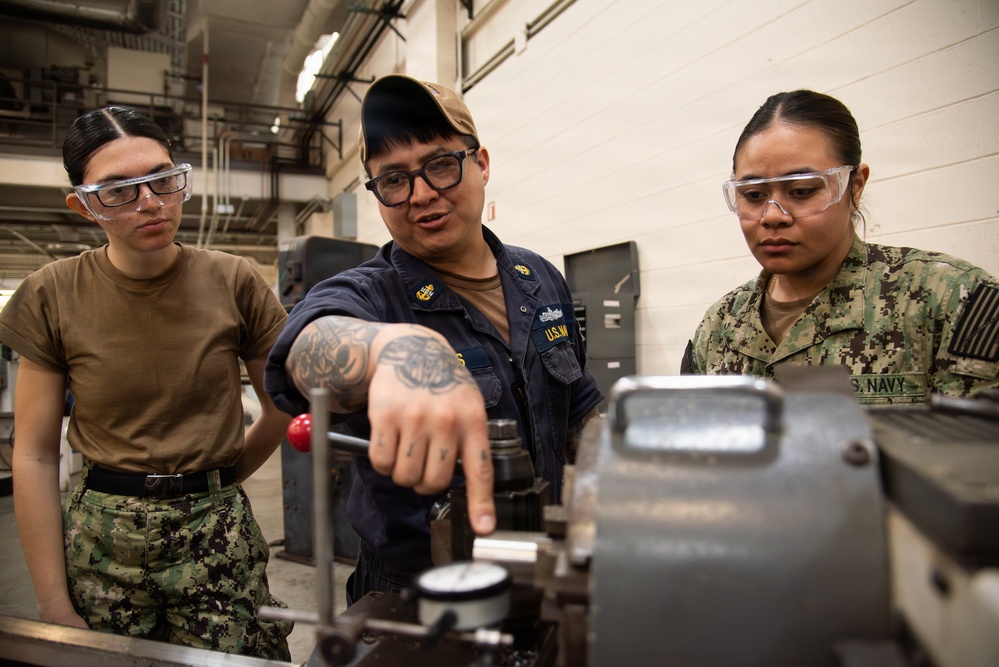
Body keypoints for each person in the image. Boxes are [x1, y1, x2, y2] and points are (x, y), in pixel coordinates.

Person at [264, 74, 603, 602]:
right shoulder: (371, 294)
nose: (421, 195)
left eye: (441, 165)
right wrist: (396, 350)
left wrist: (628, 490)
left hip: (544, 570)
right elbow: (308, 347)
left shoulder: (539, 279)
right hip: (417, 594)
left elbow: (577, 408)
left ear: (482, 163)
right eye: (394, 180)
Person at [0, 106, 293, 658]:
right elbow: (35, 455)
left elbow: (281, 404)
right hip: (100, 541)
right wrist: (53, 604)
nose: (151, 202)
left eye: (162, 179)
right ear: (83, 205)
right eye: (118, 191)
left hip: (218, 538)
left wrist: (220, 479)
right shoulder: (52, 294)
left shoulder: (233, 280)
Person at [681, 89, 999, 403]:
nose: (773, 216)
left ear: (855, 186)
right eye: (753, 195)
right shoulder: (719, 326)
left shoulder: (952, 299)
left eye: (803, 190)